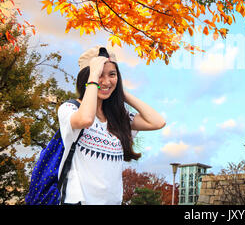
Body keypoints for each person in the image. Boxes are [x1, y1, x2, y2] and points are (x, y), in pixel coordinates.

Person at [57, 46, 166, 205]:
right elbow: (86, 119)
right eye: (100, 74)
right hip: (79, 200)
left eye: (112, 75)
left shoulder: (119, 117)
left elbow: (157, 122)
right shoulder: (70, 109)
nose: (106, 81)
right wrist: (93, 74)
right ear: (87, 78)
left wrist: (120, 92)